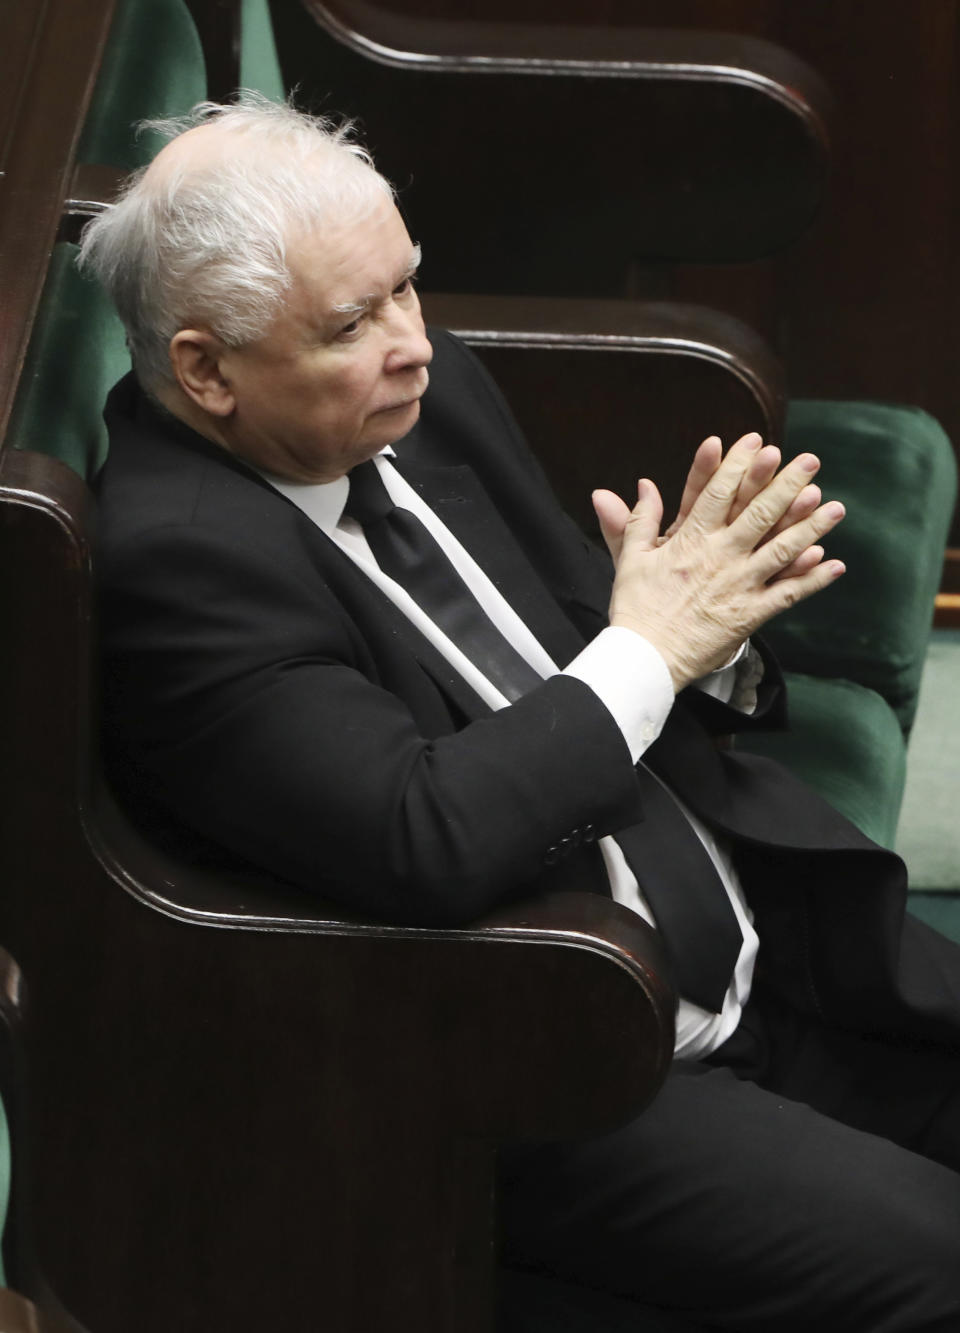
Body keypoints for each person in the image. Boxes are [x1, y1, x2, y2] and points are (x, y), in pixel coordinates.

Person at [80, 94, 960, 1331]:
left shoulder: (414, 404)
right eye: (351, 321)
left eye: (407, 287)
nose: (414, 342)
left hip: (769, 937)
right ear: (205, 370)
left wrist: (702, 643)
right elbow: (424, 833)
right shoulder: (176, 571)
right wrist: (651, 643)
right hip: (569, 1058)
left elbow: (585, 662)